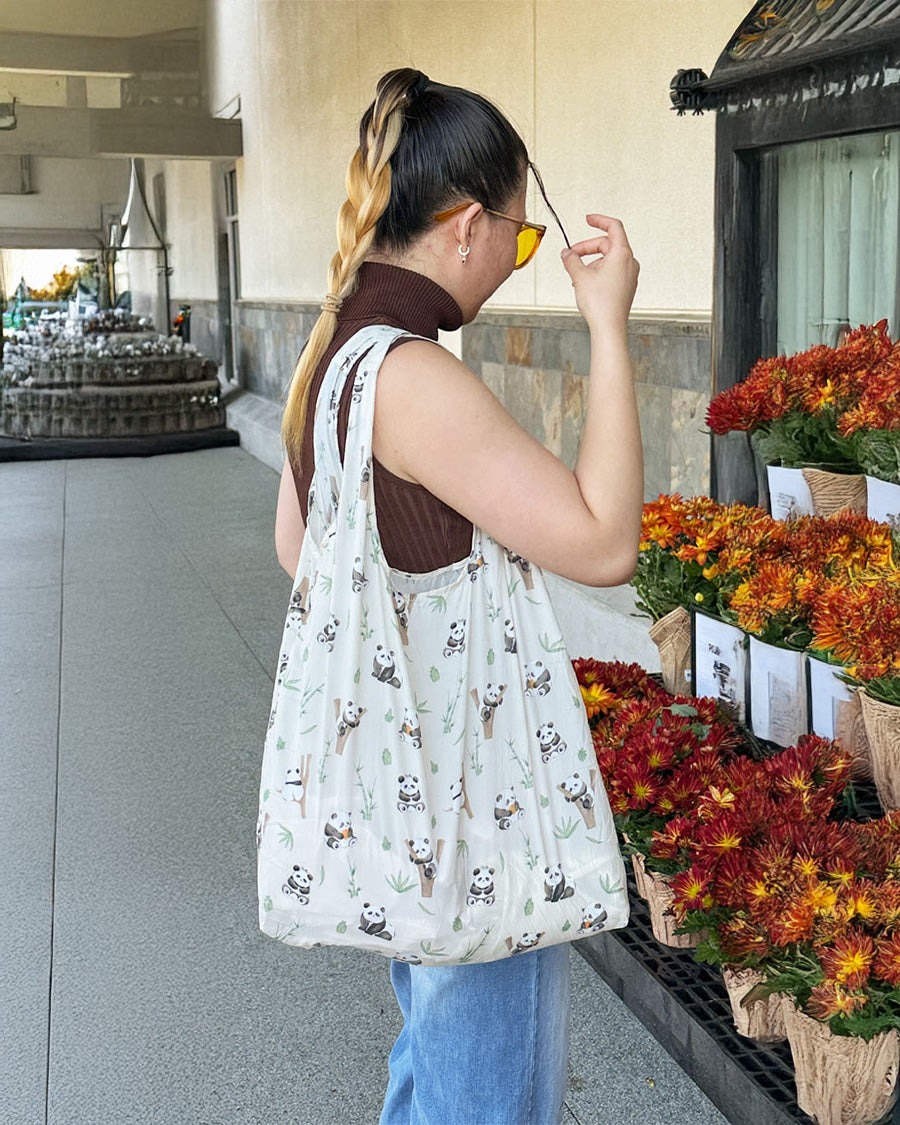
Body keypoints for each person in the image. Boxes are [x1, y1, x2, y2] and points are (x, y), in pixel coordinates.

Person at [273, 68, 642, 1125]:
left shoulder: (330, 359)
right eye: (522, 242)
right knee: (489, 1091)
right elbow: (604, 540)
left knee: (438, 1063)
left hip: (406, 801)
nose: (519, 265)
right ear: (468, 226)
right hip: (473, 805)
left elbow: (298, 549)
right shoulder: (415, 376)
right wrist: (606, 325)